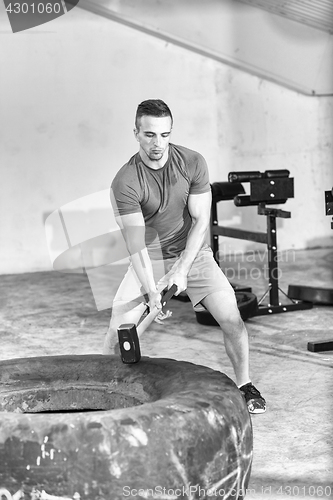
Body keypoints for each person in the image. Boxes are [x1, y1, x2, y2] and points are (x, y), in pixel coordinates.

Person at [104, 99, 266, 414]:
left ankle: (245, 384)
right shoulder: (125, 181)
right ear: (136, 133)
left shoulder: (192, 162)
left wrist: (182, 269)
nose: (157, 143)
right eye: (149, 135)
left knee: (232, 318)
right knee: (117, 332)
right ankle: (109, 393)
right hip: (149, 257)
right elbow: (136, 246)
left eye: (164, 135)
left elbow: (201, 221)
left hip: (193, 253)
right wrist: (152, 291)